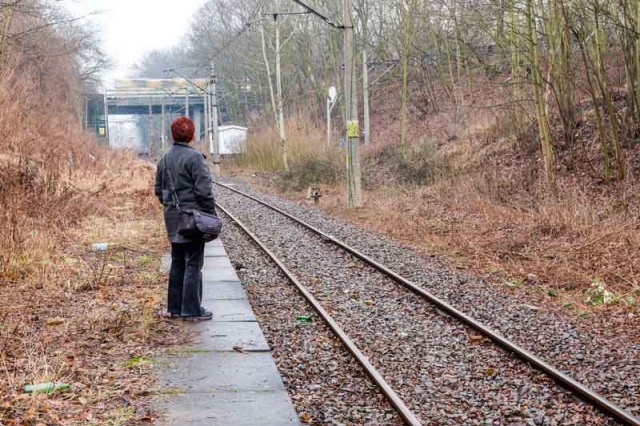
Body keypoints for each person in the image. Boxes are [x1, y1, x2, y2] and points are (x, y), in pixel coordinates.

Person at [154, 117, 216, 322]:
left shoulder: (164, 159)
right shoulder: (195, 158)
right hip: (193, 219)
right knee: (193, 263)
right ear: (191, 135)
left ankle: (174, 308)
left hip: (172, 218)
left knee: (177, 261)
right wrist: (209, 214)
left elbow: (158, 191)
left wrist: (171, 207)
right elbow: (204, 191)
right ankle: (192, 310)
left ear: (173, 134)